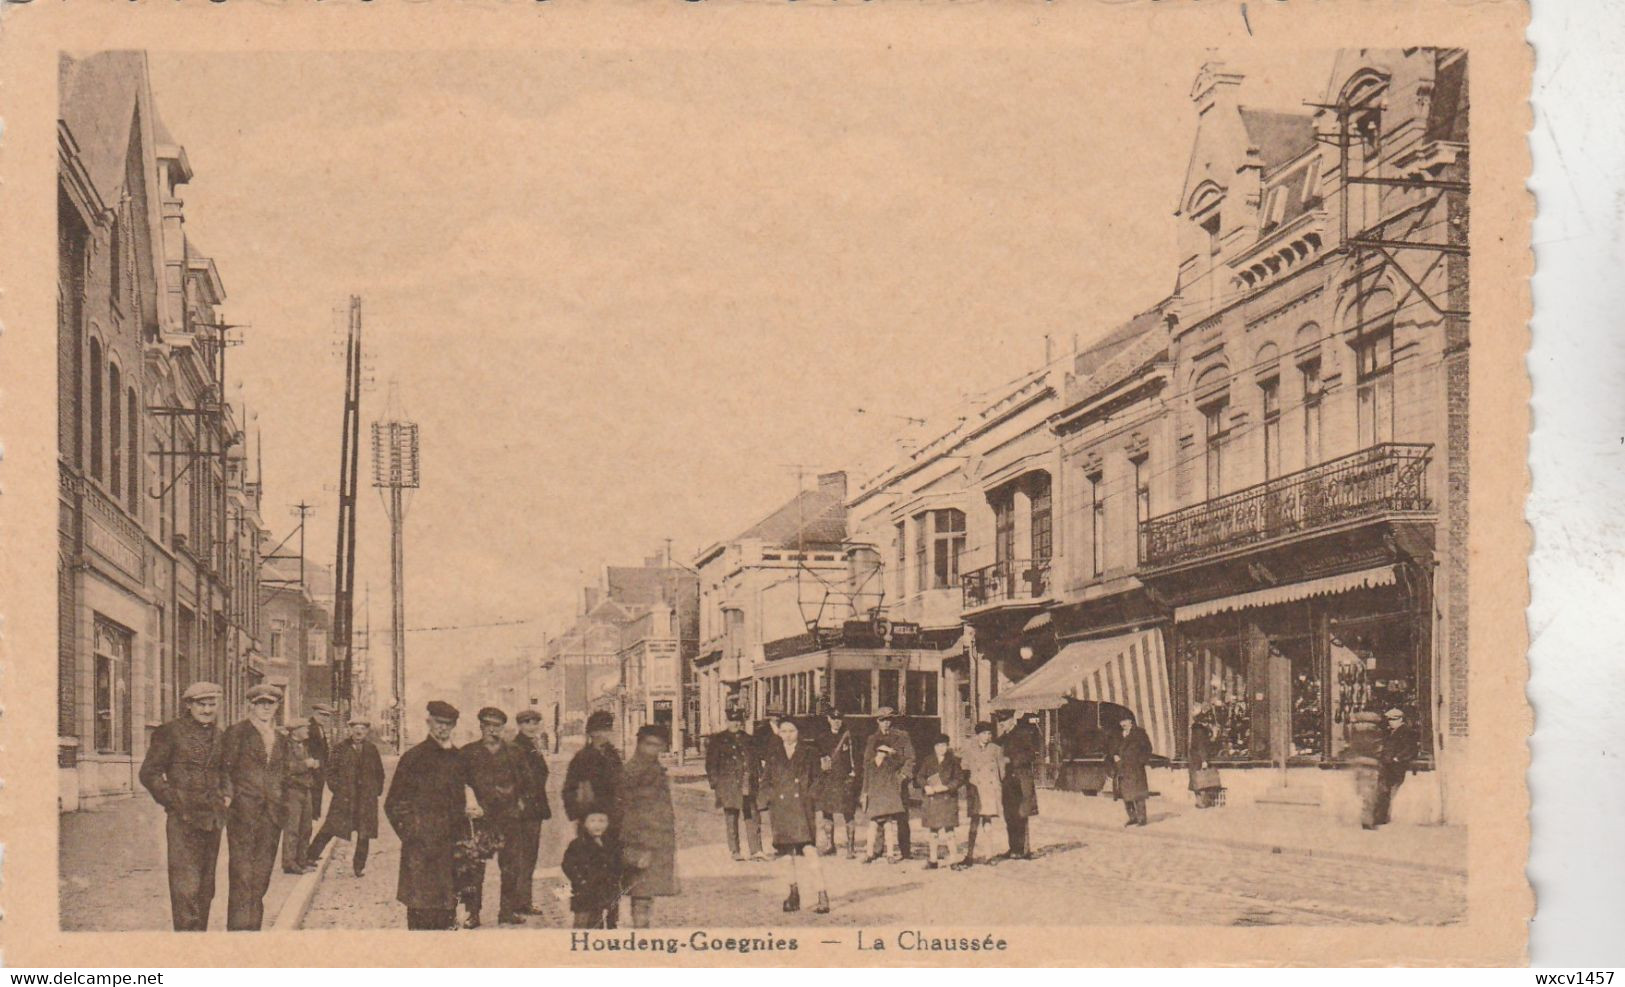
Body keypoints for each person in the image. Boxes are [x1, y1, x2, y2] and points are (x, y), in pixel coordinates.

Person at [138, 680, 228, 930]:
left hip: (213, 819)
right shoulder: (171, 732)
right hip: (183, 820)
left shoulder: (220, 736)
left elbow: (225, 772)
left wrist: (226, 795)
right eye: (202, 704)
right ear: (189, 705)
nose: (208, 710)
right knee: (185, 887)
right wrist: (173, 800)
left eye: (212, 704)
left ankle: (199, 938)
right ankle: (186, 943)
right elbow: (149, 773)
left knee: (206, 887)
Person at [385, 700, 476, 930]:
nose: (442, 728)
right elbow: (394, 804)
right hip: (421, 849)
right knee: (421, 911)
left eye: (448, 724)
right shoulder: (414, 758)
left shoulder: (459, 758)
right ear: (428, 722)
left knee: (447, 910)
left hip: (451, 846)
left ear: (454, 725)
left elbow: (469, 797)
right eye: (438, 723)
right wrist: (413, 834)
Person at [221, 683, 288, 930]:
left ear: (277, 707)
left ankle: (253, 929)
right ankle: (239, 933)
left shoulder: (281, 739)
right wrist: (229, 799)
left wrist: (283, 806)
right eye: (260, 704)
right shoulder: (237, 733)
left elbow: (284, 774)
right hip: (243, 814)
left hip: (271, 816)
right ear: (251, 705)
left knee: (261, 875)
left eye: (270, 704)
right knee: (242, 874)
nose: (265, 709)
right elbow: (225, 770)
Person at [459, 706, 529, 926]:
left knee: (511, 867)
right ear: (480, 726)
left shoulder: (515, 752)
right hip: (481, 819)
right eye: (488, 725)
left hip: (509, 818)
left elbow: (528, 782)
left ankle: (507, 911)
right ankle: (473, 913)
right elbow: (459, 783)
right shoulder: (468, 753)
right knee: (474, 867)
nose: (492, 730)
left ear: (503, 728)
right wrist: (468, 802)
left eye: (497, 726)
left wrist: (521, 802)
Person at [761, 717, 830, 914]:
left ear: (798, 732)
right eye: (784, 731)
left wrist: (813, 801)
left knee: (810, 851)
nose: (788, 735)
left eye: (792, 731)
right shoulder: (773, 754)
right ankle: (793, 894)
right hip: (781, 809)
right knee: (786, 855)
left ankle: (822, 894)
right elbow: (766, 781)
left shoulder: (809, 753)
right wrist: (767, 800)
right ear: (779, 733)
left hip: (802, 807)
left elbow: (818, 781)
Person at [616, 724, 680, 928]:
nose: (654, 749)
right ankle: (640, 936)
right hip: (643, 844)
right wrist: (638, 847)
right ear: (640, 744)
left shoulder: (652, 767)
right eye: (650, 744)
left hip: (655, 842)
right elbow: (628, 812)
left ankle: (642, 932)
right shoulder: (634, 770)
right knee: (641, 895)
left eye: (659, 745)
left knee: (646, 894)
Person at [307, 716, 385, 876]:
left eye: (362, 729)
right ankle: (310, 856)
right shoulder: (340, 748)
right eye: (355, 728)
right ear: (350, 730)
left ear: (367, 732)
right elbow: (331, 771)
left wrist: (376, 790)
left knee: (364, 834)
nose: (359, 731)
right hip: (345, 797)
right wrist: (338, 789)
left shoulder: (372, 749)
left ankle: (359, 867)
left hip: (365, 799)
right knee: (330, 827)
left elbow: (379, 772)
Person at [705, 707, 766, 861]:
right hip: (729, 785)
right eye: (732, 721)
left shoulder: (749, 739)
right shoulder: (718, 740)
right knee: (731, 818)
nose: (736, 724)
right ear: (727, 722)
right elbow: (711, 764)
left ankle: (756, 850)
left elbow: (756, 760)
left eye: (739, 721)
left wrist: (758, 777)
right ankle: (735, 851)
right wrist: (715, 784)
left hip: (747, 783)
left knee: (752, 816)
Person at [512, 708, 553, 915]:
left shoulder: (531, 746)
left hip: (533, 809)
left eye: (535, 722)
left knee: (528, 856)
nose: (531, 726)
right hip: (524, 811)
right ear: (519, 725)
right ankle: (520, 902)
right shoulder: (517, 747)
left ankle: (523, 901)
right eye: (527, 722)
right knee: (523, 857)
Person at [862, 707, 915, 858]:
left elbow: (910, 758)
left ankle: (905, 851)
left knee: (902, 817)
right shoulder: (872, 739)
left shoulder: (902, 736)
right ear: (877, 722)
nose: (886, 723)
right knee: (879, 816)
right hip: (879, 783)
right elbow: (867, 762)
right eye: (882, 720)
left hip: (898, 782)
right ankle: (877, 850)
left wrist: (904, 775)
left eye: (889, 720)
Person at [952, 721, 1006, 870]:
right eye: (984, 733)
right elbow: (964, 768)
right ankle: (969, 855)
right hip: (975, 790)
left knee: (987, 822)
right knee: (974, 822)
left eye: (989, 733)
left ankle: (989, 855)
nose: (987, 736)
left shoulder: (996, 749)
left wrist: (997, 785)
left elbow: (1002, 772)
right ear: (977, 735)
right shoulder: (969, 750)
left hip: (989, 790)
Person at [811, 703, 860, 858]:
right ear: (828, 719)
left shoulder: (849, 736)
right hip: (828, 780)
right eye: (833, 718)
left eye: (839, 719)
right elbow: (815, 757)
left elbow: (854, 757)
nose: (837, 722)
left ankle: (850, 848)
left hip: (844, 780)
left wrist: (854, 774)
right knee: (827, 812)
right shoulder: (821, 738)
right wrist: (821, 761)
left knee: (849, 813)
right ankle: (829, 844)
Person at [562, 809, 622, 929]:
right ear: (584, 824)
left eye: (602, 821)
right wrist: (579, 880)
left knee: (605, 921)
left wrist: (615, 880)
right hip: (584, 890)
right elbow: (567, 865)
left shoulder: (612, 844)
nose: (597, 825)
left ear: (609, 823)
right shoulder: (577, 844)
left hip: (606, 891)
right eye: (592, 821)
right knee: (582, 922)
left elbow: (617, 865)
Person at [564, 710, 623, 831]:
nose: (603, 735)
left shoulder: (613, 756)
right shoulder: (582, 758)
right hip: (590, 817)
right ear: (591, 733)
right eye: (599, 730)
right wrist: (578, 813)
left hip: (613, 816)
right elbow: (569, 789)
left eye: (607, 730)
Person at [915, 733, 965, 870]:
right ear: (934, 747)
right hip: (932, 800)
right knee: (933, 831)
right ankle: (933, 860)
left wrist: (947, 787)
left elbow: (960, 779)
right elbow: (919, 776)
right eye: (938, 746)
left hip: (947, 799)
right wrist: (926, 786)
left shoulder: (954, 761)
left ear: (947, 746)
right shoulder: (928, 761)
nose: (941, 748)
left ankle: (954, 860)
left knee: (950, 831)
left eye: (943, 745)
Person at [279, 720, 322, 874]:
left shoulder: (304, 745)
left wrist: (313, 765)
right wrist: (306, 764)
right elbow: (285, 768)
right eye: (304, 728)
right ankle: (289, 863)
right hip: (292, 791)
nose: (308, 731)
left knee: (306, 828)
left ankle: (301, 861)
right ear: (295, 730)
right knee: (292, 828)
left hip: (306, 788)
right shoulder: (285, 746)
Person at [999, 712, 1042, 858]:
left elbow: (1031, 754)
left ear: (1011, 720)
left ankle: (1024, 850)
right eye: (1000, 722)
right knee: (1009, 814)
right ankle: (1013, 848)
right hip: (1007, 781)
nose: (1001, 724)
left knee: (1022, 814)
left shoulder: (1023, 734)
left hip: (1022, 779)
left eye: (1004, 721)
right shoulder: (1003, 738)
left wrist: (1011, 760)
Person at [860, 739, 907, 864]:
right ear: (876, 751)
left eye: (885, 751)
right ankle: (869, 853)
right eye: (880, 750)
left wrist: (893, 753)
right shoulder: (869, 765)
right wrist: (864, 795)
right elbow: (866, 781)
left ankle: (890, 855)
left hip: (887, 799)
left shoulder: (890, 764)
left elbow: (901, 761)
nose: (882, 753)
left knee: (888, 827)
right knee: (872, 827)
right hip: (874, 798)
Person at [1375, 708, 1420, 826]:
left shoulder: (1406, 731)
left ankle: (1381, 817)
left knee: (1384, 790)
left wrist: (1397, 758)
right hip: (1387, 764)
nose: (1390, 722)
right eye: (1389, 719)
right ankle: (1379, 817)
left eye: (1393, 719)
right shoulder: (1392, 731)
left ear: (1400, 719)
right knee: (1382, 790)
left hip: (1395, 766)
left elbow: (1411, 749)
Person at [1111, 712, 1153, 827]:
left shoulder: (1139, 733)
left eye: (1125, 721)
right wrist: (1115, 755)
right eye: (1121, 722)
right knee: (1126, 794)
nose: (1122, 724)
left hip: (1135, 768)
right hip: (1122, 768)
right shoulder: (1120, 734)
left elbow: (1148, 748)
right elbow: (1114, 748)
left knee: (1138, 794)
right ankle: (1132, 817)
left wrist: (1141, 762)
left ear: (1130, 721)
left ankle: (1141, 819)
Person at [1188, 707, 1223, 809]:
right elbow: (1202, 746)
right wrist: (1204, 760)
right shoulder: (1200, 730)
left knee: (1196, 779)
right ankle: (1202, 802)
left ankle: (1199, 802)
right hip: (1198, 758)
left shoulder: (1195, 728)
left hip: (1194, 757)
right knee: (1202, 779)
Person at [307, 703, 335, 821]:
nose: (324, 718)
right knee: (312, 795)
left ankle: (315, 816)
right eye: (322, 714)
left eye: (327, 716)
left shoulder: (320, 727)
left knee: (318, 792)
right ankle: (312, 816)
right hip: (311, 769)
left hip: (320, 769)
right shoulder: (309, 727)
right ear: (314, 713)